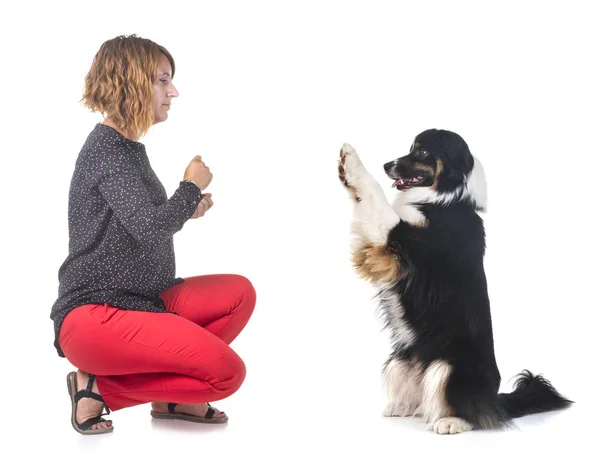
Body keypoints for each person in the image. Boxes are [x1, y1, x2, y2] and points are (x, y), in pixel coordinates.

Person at [51, 34, 256, 435]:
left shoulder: (127, 147)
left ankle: (173, 396)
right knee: (227, 374)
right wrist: (189, 188)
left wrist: (186, 211)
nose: (173, 91)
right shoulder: (107, 150)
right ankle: (95, 387)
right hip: (97, 313)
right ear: (132, 82)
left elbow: (139, 222)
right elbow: (149, 227)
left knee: (239, 294)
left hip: (141, 300)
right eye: (163, 80)